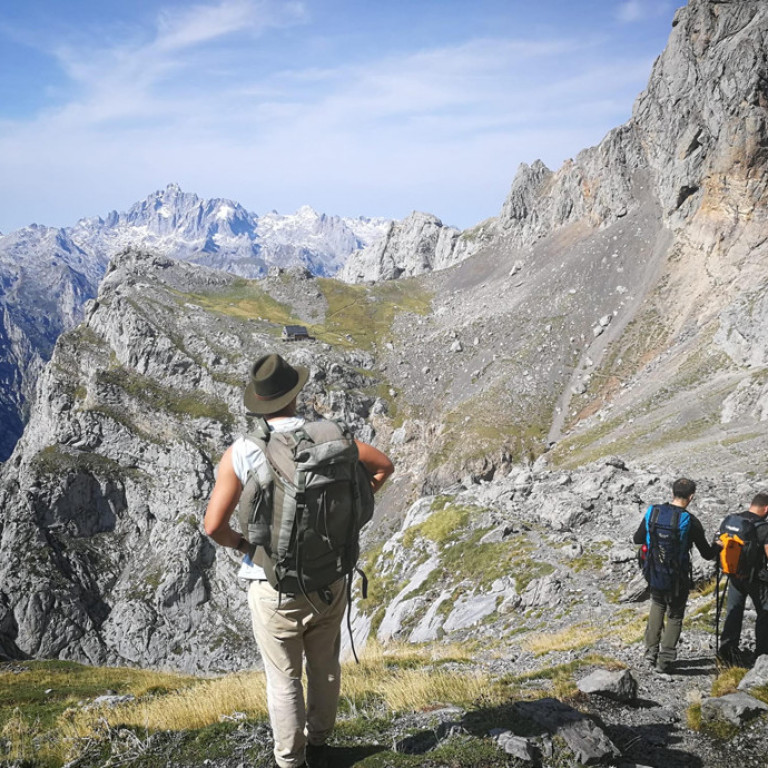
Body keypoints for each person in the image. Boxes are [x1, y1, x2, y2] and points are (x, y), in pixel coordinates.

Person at [204, 353, 394, 768]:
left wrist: (246, 548)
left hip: (274, 586)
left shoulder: (243, 452)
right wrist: (344, 520)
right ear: (295, 395)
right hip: (331, 577)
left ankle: (291, 761)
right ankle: (322, 747)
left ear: (259, 402)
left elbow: (213, 525)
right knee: (324, 667)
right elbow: (383, 466)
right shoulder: (332, 437)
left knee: (284, 679)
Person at [633, 478, 717, 673]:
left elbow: (637, 539)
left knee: (657, 606)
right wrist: (718, 546)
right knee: (675, 615)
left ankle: (649, 655)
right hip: (678, 578)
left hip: (654, 572)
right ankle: (666, 661)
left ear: (672, 492)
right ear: (691, 496)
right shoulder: (691, 521)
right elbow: (706, 553)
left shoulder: (653, 512)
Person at [717, 493, 768, 666]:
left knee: (734, 610)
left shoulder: (733, 520)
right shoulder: (763, 527)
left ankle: (727, 651)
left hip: (734, 575)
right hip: (757, 579)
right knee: (764, 614)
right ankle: (762, 655)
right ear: (766, 508)